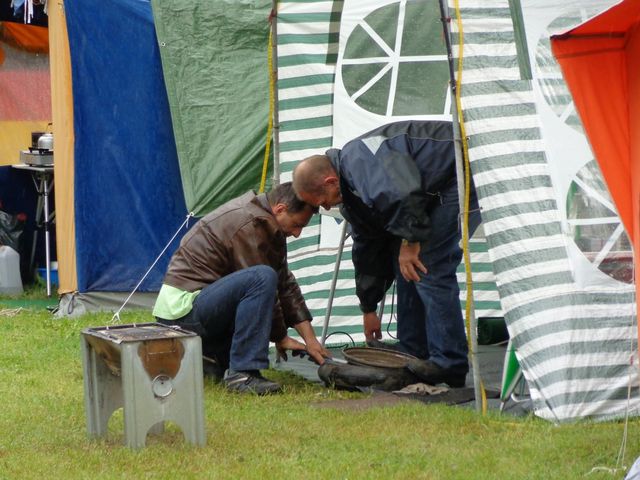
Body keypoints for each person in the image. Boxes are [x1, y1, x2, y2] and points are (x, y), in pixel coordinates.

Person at [292, 121, 481, 388]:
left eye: (322, 201)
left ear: (330, 181)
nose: (324, 207)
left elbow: (402, 194)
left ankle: (450, 363)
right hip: (428, 192)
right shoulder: (352, 193)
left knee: (427, 264)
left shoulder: (359, 160)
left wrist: (410, 241)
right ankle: (413, 349)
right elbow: (367, 250)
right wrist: (368, 307)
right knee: (404, 263)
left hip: (462, 169)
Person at [153, 182, 331, 395]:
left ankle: (212, 358)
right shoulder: (249, 223)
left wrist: (311, 341)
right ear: (280, 209)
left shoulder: (268, 224)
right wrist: (281, 337)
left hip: (202, 306)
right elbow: (263, 285)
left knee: (265, 276)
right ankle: (243, 375)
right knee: (261, 277)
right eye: (297, 225)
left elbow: (284, 282)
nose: (297, 233)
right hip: (182, 312)